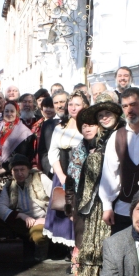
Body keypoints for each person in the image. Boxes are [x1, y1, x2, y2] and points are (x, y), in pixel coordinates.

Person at [68, 93, 124, 276]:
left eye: (107, 113)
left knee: (107, 241)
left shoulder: (121, 134)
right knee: (92, 237)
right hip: (93, 198)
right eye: (100, 115)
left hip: (113, 196)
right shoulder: (98, 140)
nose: (104, 118)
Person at [99, 87, 139, 234]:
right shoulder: (117, 136)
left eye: (133, 104)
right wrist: (107, 206)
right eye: (125, 106)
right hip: (123, 209)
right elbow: (109, 174)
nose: (129, 110)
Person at [44, 91, 88, 248]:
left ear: (85, 106)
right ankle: (71, 255)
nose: (73, 108)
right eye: (71, 104)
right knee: (64, 214)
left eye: (77, 104)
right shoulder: (60, 126)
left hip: (82, 177)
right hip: (62, 175)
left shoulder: (89, 127)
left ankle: (78, 255)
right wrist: (62, 176)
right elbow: (52, 154)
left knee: (79, 216)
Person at [64, 108, 101, 276]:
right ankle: (81, 273)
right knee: (80, 235)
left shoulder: (104, 146)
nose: (87, 129)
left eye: (91, 125)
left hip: (100, 201)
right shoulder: (80, 148)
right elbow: (70, 179)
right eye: (84, 125)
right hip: (80, 200)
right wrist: (70, 205)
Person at [0, 154, 52, 262]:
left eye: (22, 169)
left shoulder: (40, 178)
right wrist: (21, 215)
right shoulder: (9, 185)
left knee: (38, 235)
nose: (19, 173)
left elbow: (56, 199)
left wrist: (46, 219)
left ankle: (40, 258)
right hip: (22, 220)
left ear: (28, 169)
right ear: (11, 172)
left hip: (41, 219)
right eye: (15, 170)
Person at [0, 101, 35, 188]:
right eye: (6, 111)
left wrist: (2, 170)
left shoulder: (24, 132)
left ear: (17, 113)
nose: (9, 114)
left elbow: (21, 155)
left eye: (12, 111)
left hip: (13, 175)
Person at [34, 96, 58, 174]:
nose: (48, 110)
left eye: (51, 107)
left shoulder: (59, 124)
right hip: (39, 165)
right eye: (45, 107)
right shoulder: (36, 125)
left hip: (53, 166)